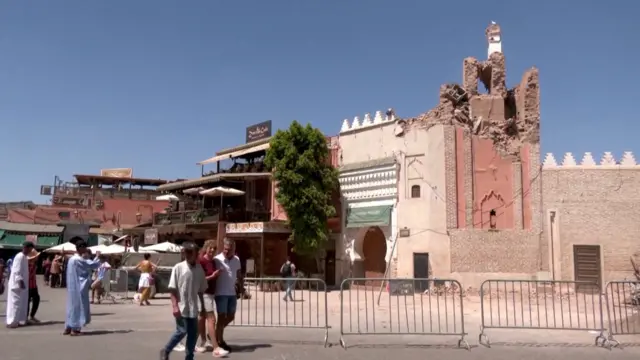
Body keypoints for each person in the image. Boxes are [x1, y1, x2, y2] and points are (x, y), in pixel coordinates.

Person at [160, 242, 207, 360]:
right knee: (182, 330)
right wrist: (174, 306)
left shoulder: (199, 269)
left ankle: (189, 357)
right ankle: (166, 350)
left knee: (193, 334)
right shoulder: (178, 267)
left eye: (191, 252)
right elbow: (172, 289)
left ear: (196, 254)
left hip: (193, 307)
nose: (188, 255)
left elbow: (201, 290)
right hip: (182, 306)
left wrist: (203, 307)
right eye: (186, 252)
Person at [63, 239, 102, 336]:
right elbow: (92, 265)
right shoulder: (78, 260)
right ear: (80, 248)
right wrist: (97, 257)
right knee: (78, 306)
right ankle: (75, 328)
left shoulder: (72, 259)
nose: (85, 249)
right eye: (84, 247)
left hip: (73, 287)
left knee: (71, 306)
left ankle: (68, 326)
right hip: (78, 286)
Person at [196, 241, 228, 357]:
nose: (212, 251)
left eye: (214, 249)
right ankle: (216, 348)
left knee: (202, 317)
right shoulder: (201, 261)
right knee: (211, 319)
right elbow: (200, 279)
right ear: (206, 248)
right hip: (204, 293)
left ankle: (203, 342)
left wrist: (217, 275)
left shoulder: (213, 262)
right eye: (210, 248)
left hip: (211, 293)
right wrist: (212, 276)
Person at [213, 238, 241, 353]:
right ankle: (220, 341)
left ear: (233, 250)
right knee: (221, 318)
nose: (226, 251)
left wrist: (241, 287)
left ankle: (214, 334)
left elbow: (238, 274)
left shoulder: (237, 260)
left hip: (232, 293)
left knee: (231, 316)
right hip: (221, 293)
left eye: (229, 250)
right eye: (225, 249)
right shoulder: (217, 259)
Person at [6, 242, 33, 328]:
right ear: (26, 247)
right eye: (30, 249)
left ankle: (20, 320)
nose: (30, 251)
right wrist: (20, 281)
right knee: (15, 303)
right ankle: (12, 322)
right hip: (17, 284)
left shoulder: (24, 257)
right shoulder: (20, 256)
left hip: (22, 284)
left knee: (22, 303)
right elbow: (16, 271)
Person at [26, 248, 41, 323]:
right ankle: (26, 317)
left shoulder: (33, 265)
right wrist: (34, 270)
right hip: (28, 286)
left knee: (36, 299)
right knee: (27, 302)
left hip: (34, 286)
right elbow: (28, 276)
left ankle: (32, 316)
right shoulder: (27, 265)